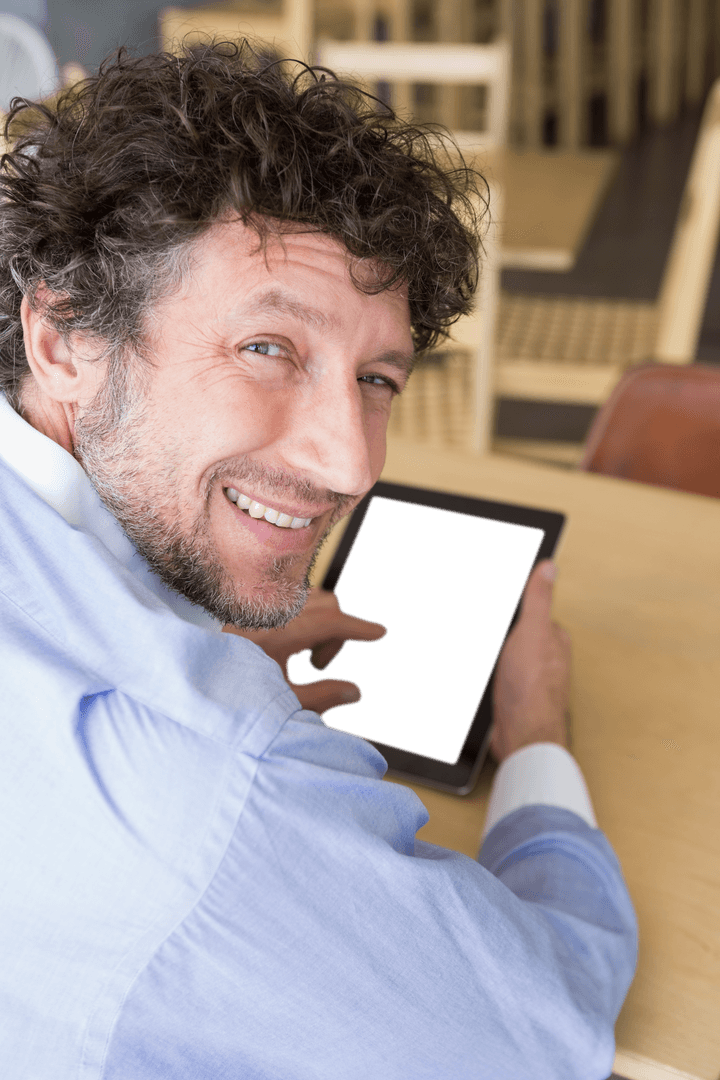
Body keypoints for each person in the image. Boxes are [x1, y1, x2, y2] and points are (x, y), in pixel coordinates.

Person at [0, 41, 637, 1080]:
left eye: (379, 378)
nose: (349, 462)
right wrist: (535, 738)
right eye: (268, 349)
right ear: (65, 336)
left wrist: (190, 631)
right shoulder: (221, 784)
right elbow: (542, 1025)